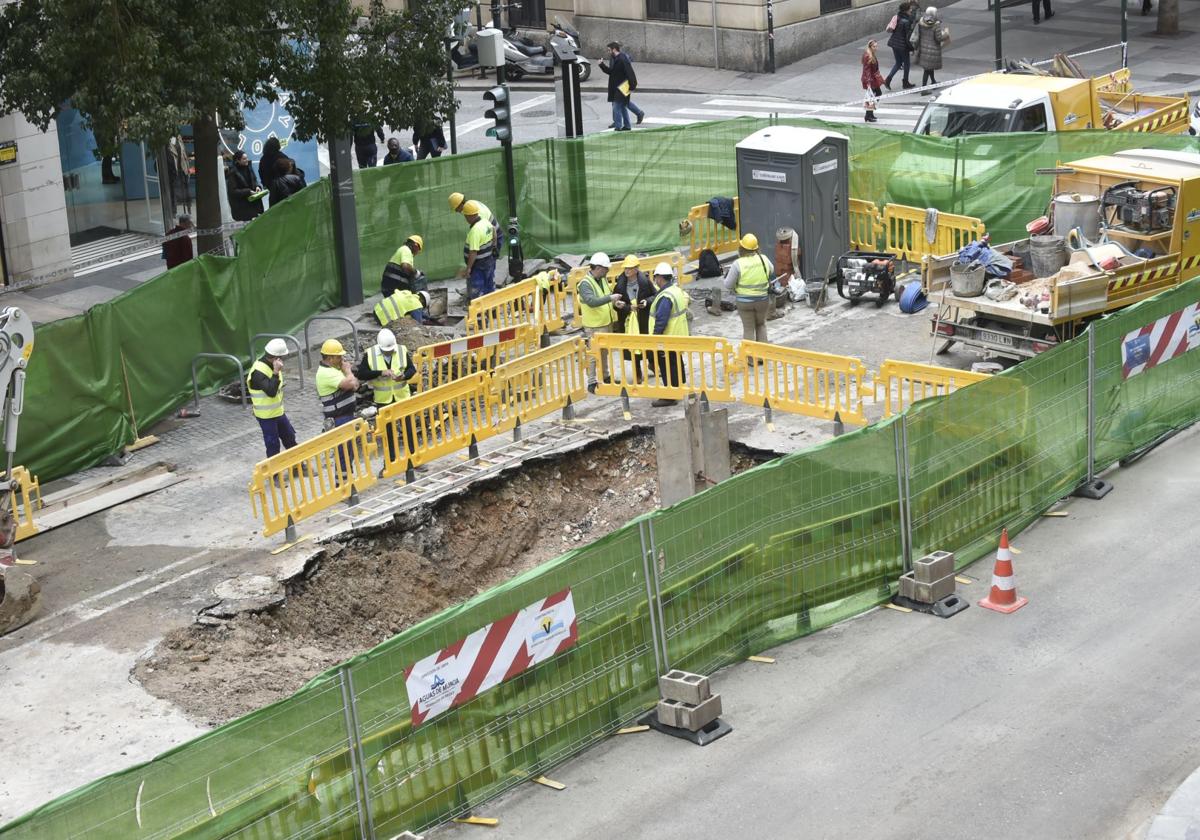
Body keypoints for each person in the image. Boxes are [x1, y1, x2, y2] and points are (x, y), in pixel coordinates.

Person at [356, 329, 418, 464]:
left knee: (408, 430)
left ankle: (414, 459)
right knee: (388, 433)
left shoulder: (401, 350)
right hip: (383, 400)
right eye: (386, 350)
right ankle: (390, 462)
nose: (389, 352)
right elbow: (361, 374)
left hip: (402, 397)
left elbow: (411, 369)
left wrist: (404, 376)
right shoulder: (371, 354)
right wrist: (380, 372)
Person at [246, 338, 297, 459]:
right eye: (282, 356)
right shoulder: (258, 371)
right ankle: (274, 475)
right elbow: (271, 392)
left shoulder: (273, 365)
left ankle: (298, 466)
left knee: (290, 438)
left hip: (278, 412)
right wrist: (275, 372)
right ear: (276, 357)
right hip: (266, 416)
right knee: (273, 445)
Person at [578, 252, 620, 393]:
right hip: (594, 326)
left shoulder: (601, 279)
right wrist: (610, 298)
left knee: (604, 352)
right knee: (593, 355)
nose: (607, 271)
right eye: (605, 269)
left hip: (605, 322)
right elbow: (592, 302)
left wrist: (615, 303)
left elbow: (604, 296)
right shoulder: (585, 284)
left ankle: (606, 376)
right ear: (597, 268)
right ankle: (591, 382)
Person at [649, 261, 689, 407]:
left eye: (655, 278)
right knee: (675, 362)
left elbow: (661, 319)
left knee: (667, 365)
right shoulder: (676, 290)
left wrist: (655, 336)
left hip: (667, 337)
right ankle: (678, 387)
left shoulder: (665, 296)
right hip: (677, 335)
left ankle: (670, 396)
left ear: (659, 277)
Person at [724, 233, 774, 343]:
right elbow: (771, 270)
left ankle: (751, 359)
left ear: (741, 248)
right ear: (756, 248)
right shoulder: (763, 259)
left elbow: (728, 285)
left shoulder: (738, 264)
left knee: (748, 329)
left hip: (744, 302)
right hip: (762, 299)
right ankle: (762, 357)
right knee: (761, 325)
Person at [614, 254, 656, 382]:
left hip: (644, 319)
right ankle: (637, 373)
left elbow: (655, 295)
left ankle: (653, 365)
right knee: (633, 346)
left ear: (636, 269)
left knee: (648, 344)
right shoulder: (620, 285)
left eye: (630, 268)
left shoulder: (645, 281)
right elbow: (615, 304)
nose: (627, 270)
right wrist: (626, 307)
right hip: (629, 321)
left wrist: (646, 302)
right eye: (626, 268)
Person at [599, 42, 643, 132]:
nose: (608, 52)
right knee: (622, 106)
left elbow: (630, 73)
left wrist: (632, 86)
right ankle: (627, 126)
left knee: (616, 106)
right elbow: (612, 72)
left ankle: (618, 127)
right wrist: (602, 65)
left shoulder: (622, 59)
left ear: (614, 49)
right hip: (618, 86)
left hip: (623, 86)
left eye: (609, 50)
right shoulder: (616, 58)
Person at [448, 192, 502, 261]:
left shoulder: (478, 214)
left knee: (490, 261)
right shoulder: (471, 205)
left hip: (494, 235)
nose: (456, 211)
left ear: (460, 204)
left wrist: (493, 246)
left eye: (456, 208)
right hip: (492, 233)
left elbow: (491, 230)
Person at [460, 200, 496, 300]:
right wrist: (494, 246)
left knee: (477, 286)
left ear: (469, 216)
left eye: (465, 216)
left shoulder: (475, 231)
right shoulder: (485, 221)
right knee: (489, 283)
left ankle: (478, 309)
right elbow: (494, 230)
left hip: (478, 264)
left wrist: (469, 268)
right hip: (489, 260)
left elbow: (473, 252)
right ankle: (492, 305)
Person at [914, 6, 948, 93]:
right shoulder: (936, 25)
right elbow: (939, 38)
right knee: (927, 69)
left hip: (923, 48)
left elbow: (919, 35)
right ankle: (923, 89)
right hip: (933, 49)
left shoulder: (921, 21)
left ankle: (933, 82)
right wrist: (946, 34)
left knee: (929, 68)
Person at [884, 2, 916, 90]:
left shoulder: (897, 17)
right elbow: (908, 37)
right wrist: (912, 48)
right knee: (907, 63)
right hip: (902, 46)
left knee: (898, 63)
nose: (911, 10)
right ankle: (905, 82)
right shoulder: (906, 21)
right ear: (906, 10)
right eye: (910, 9)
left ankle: (888, 80)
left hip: (894, 43)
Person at [225, 151, 264, 221]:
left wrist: (257, 187)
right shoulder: (232, 173)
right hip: (242, 206)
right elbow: (233, 191)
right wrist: (248, 191)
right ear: (238, 160)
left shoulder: (249, 167)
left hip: (254, 204)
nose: (247, 160)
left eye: (247, 158)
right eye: (244, 159)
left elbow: (254, 180)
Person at [861, 40, 886, 123]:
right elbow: (866, 70)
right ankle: (868, 115)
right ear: (870, 47)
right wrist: (868, 83)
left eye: (876, 46)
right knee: (874, 96)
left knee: (876, 95)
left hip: (873, 79)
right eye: (874, 46)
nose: (876, 48)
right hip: (870, 80)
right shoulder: (868, 56)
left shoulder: (872, 54)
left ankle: (869, 114)